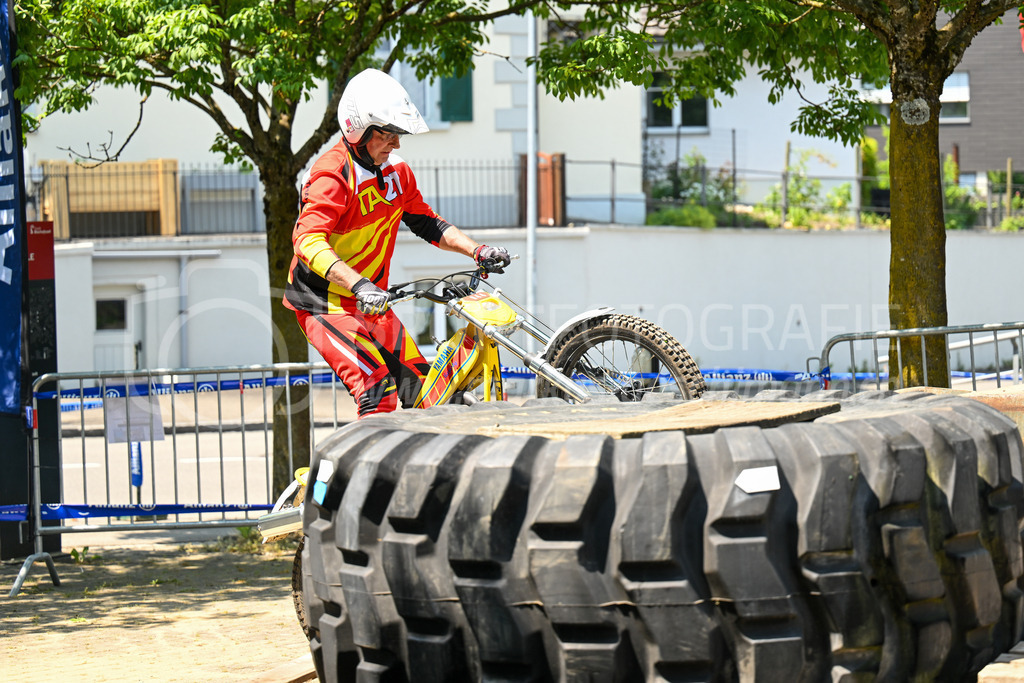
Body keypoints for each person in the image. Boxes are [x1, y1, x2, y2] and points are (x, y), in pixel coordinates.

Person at [283, 68, 511, 418]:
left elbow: (428, 224)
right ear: (358, 129)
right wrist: (358, 285)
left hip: (371, 302)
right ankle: (365, 471)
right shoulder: (332, 173)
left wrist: (478, 250)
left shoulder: (396, 171)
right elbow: (308, 241)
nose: (397, 143)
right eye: (389, 134)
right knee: (377, 391)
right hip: (326, 304)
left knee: (427, 392)